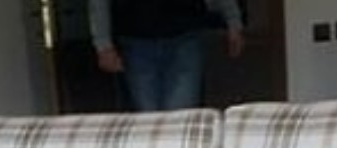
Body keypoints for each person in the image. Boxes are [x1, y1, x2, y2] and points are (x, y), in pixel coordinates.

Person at [88, 0, 245, 112]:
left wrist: (233, 20)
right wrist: (103, 44)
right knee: (148, 122)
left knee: (181, 119)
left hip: (185, 36)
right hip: (136, 40)